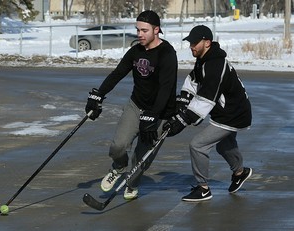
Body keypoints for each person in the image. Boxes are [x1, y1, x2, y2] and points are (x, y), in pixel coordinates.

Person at [85, 10, 178, 200]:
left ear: (156, 30)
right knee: (118, 147)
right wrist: (99, 95)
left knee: (141, 158)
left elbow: (166, 89)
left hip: (159, 113)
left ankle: (132, 184)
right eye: (138, 30)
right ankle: (119, 166)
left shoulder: (167, 54)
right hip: (136, 106)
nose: (140, 34)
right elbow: (118, 73)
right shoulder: (136, 51)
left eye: (144, 30)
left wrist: (153, 114)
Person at [164, 25, 252, 202]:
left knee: (198, 145)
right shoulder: (204, 59)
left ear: (207, 43)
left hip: (233, 114)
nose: (191, 46)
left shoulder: (215, 65)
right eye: (190, 43)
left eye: (195, 43)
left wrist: (183, 120)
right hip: (227, 112)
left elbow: (206, 98)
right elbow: (194, 79)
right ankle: (240, 173)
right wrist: (183, 99)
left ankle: (203, 188)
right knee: (223, 145)